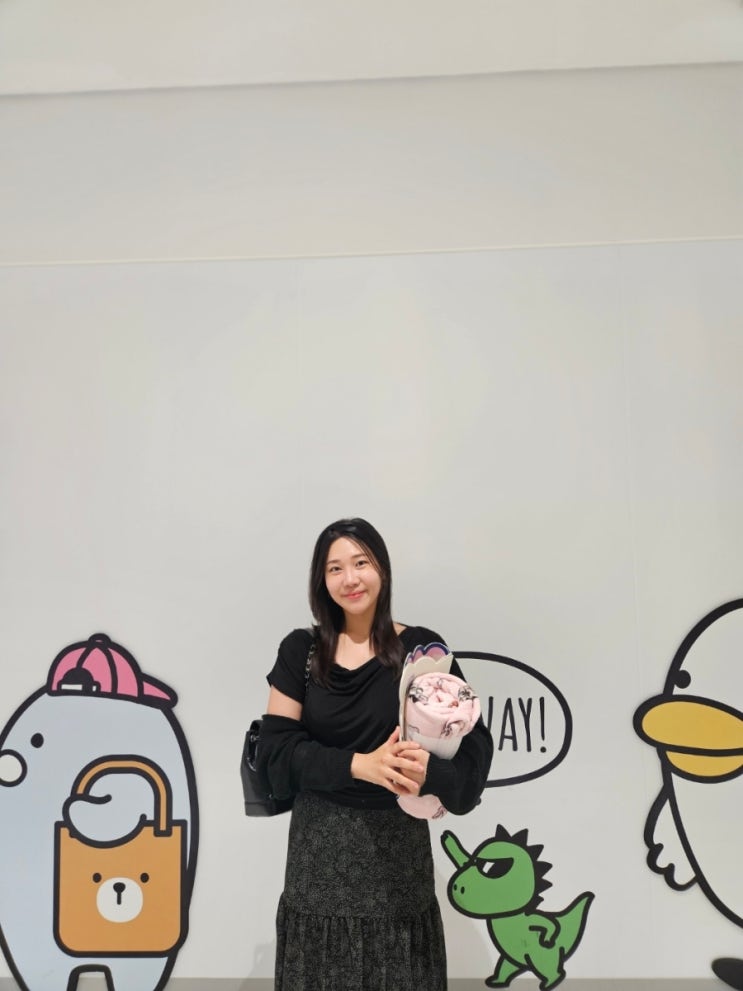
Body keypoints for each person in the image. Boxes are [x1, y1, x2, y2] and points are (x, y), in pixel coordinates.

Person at [259, 517, 494, 991]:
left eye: (361, 563)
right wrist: (359, 765)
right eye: (335, 568)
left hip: (397, 860)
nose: (350, 578)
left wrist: (431, 772)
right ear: (321, 581)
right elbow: (275, 754)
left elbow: (474, 750)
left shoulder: (421, 649)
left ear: (382, 569)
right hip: (319, 858)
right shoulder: (301, 651)